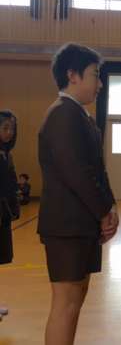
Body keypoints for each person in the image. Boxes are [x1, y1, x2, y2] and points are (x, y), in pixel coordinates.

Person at [38, 43, 119, 345]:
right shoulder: (63, 114)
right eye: (95, 75)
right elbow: (76, 172)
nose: (100, 84)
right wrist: (103, 211)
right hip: (66, 225)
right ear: (72, 75)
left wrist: (109, 207)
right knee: (66, 304)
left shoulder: (80, 115)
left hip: (80, 224)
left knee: (75, 300)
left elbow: (96, 168)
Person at [0, 110, 20, 321]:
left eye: (12, 128)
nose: (9, 132)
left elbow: (10, 183)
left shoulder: (7, 154)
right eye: (5, 128)